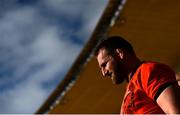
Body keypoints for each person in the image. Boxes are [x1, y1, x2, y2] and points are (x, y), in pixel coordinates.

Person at [95, 36, 180, 114]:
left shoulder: (147, 71)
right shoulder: (129, 89)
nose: (104, 73)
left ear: (119, 54)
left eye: (104, 65)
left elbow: (174, 111)